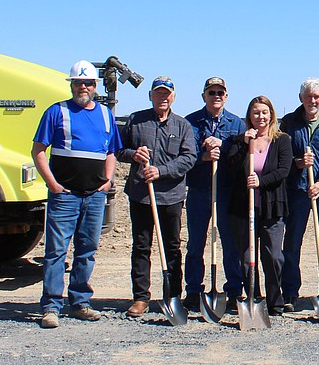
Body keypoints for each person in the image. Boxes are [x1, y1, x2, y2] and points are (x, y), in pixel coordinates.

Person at [31, 60, 123, 329]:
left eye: (88, 83)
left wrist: (107, 182)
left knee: (87, 250)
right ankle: (51, 306)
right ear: (71, 85)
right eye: (78, 82)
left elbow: (110, 152)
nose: (83, 87)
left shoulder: (105, 114)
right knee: (56, 251)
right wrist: (53, 184)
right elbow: (38, 151)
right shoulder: (56, 112)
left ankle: (80, 302)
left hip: (94, 196)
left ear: (95, 86)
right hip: (65, 196)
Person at [117, 76, 197, 317]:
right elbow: (118, 149)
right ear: (150, 96)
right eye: (158, 93)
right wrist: (134, 154)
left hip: (171, 196)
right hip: (141, 195)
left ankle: (172, 295)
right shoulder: (136, 120)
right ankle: (141, 297)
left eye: (167, 94)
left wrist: (160, 171)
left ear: (173, 97)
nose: (162, 97)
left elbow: (189, 158)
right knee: (141, 246)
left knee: (172, 247)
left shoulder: (182, 125)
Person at [280, 78, 319, 312]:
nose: (312, 100)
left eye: (317, 96)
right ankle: (290, 292)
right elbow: (282, 158)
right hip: (297, 191)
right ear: (301, 98)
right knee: (292, 242)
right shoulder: (289, 123)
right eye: (308, 96)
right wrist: (297, 163)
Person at [183, 77, 245, 313]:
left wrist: (226, 146)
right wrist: (203, 156)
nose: (216, 96)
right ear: (204, 96)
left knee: (230, 242)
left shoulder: (236, 124)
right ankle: (193, 290)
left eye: (220, 92)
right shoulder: (190, 122)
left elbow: (241, 156)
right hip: (200, 189)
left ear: (226, 96)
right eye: (212, 92)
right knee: (196, 242)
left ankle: (233, 290)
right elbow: (185, 155)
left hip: (226, 190)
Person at [226, 96, 293, 314]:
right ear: (249, 116)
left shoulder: (282, 140)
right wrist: (245, 144)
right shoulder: (239, 141)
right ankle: (253, 297)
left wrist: (260, 182)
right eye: (256, 112)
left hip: (272, 206)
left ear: (271, 115)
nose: (260, 117)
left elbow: (284, 170)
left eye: (264, 112)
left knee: (273, 256)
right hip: (243, 208)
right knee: (247, 258)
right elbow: (231, 169)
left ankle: (275, 300)